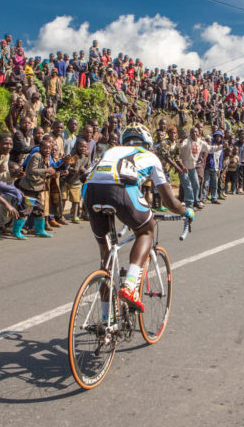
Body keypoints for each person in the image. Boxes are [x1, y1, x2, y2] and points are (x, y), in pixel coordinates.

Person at [82, 124, 194, 313]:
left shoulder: (112, 150)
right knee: (146, 230)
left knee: (106, 258)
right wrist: (185, 211)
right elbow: (168, 201)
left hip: (91, 191)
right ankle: (130, 286)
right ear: (148, 144)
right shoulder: (151, 157)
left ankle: (105, 322)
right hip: (121, 189)